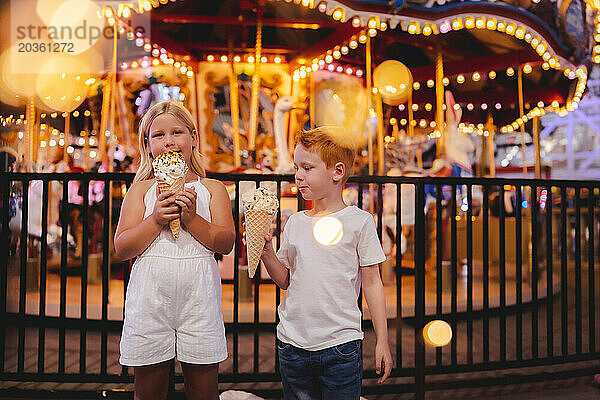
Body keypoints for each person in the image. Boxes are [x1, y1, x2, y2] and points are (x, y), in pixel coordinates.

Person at [258, 126, 393, 399]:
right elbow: (285, 279)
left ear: (337, 172)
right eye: (297, 167)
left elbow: (372, 283)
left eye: (307, 168)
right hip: (293, 343)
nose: (298, 175)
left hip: (340, 344)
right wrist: (266, 252)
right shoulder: (295, 222)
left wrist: (383, 340)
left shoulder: (360, 222)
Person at [114, 101, 235, 400]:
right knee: (148, 392)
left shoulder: (213, 188)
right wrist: (155, 219)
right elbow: (122, 246)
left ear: (193, 137)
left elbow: (226, 242)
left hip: (200, 298)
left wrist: (192, 220)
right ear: (148, 144)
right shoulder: (141, 190)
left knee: (204, 391)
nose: (168, 141)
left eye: (177, 132)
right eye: (158, 135)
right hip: (150, 298)